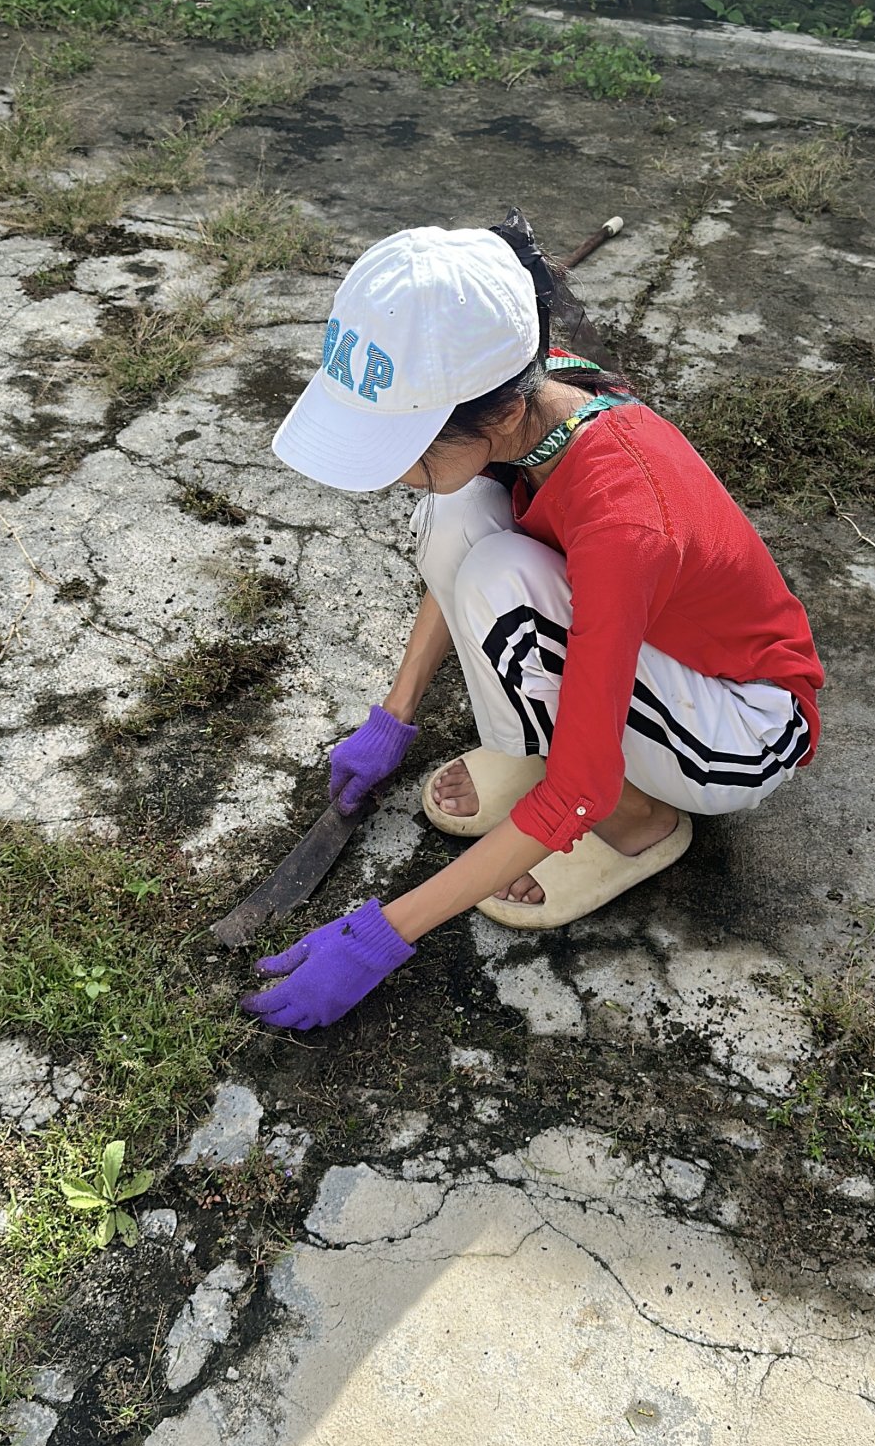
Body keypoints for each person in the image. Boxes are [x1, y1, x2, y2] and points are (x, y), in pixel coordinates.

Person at [242, 214, 823, 1034]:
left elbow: (570, 736)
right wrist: (393, 717)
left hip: (738, 724)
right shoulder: (533, 396)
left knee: (499, 580)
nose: (392, 473)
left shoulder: (625, 519)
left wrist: (381, 934)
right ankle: (543, 765)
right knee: (455, 517)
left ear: (490, 414)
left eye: (403, 446)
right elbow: (461, 522)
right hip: (649, 657)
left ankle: (638, 822)